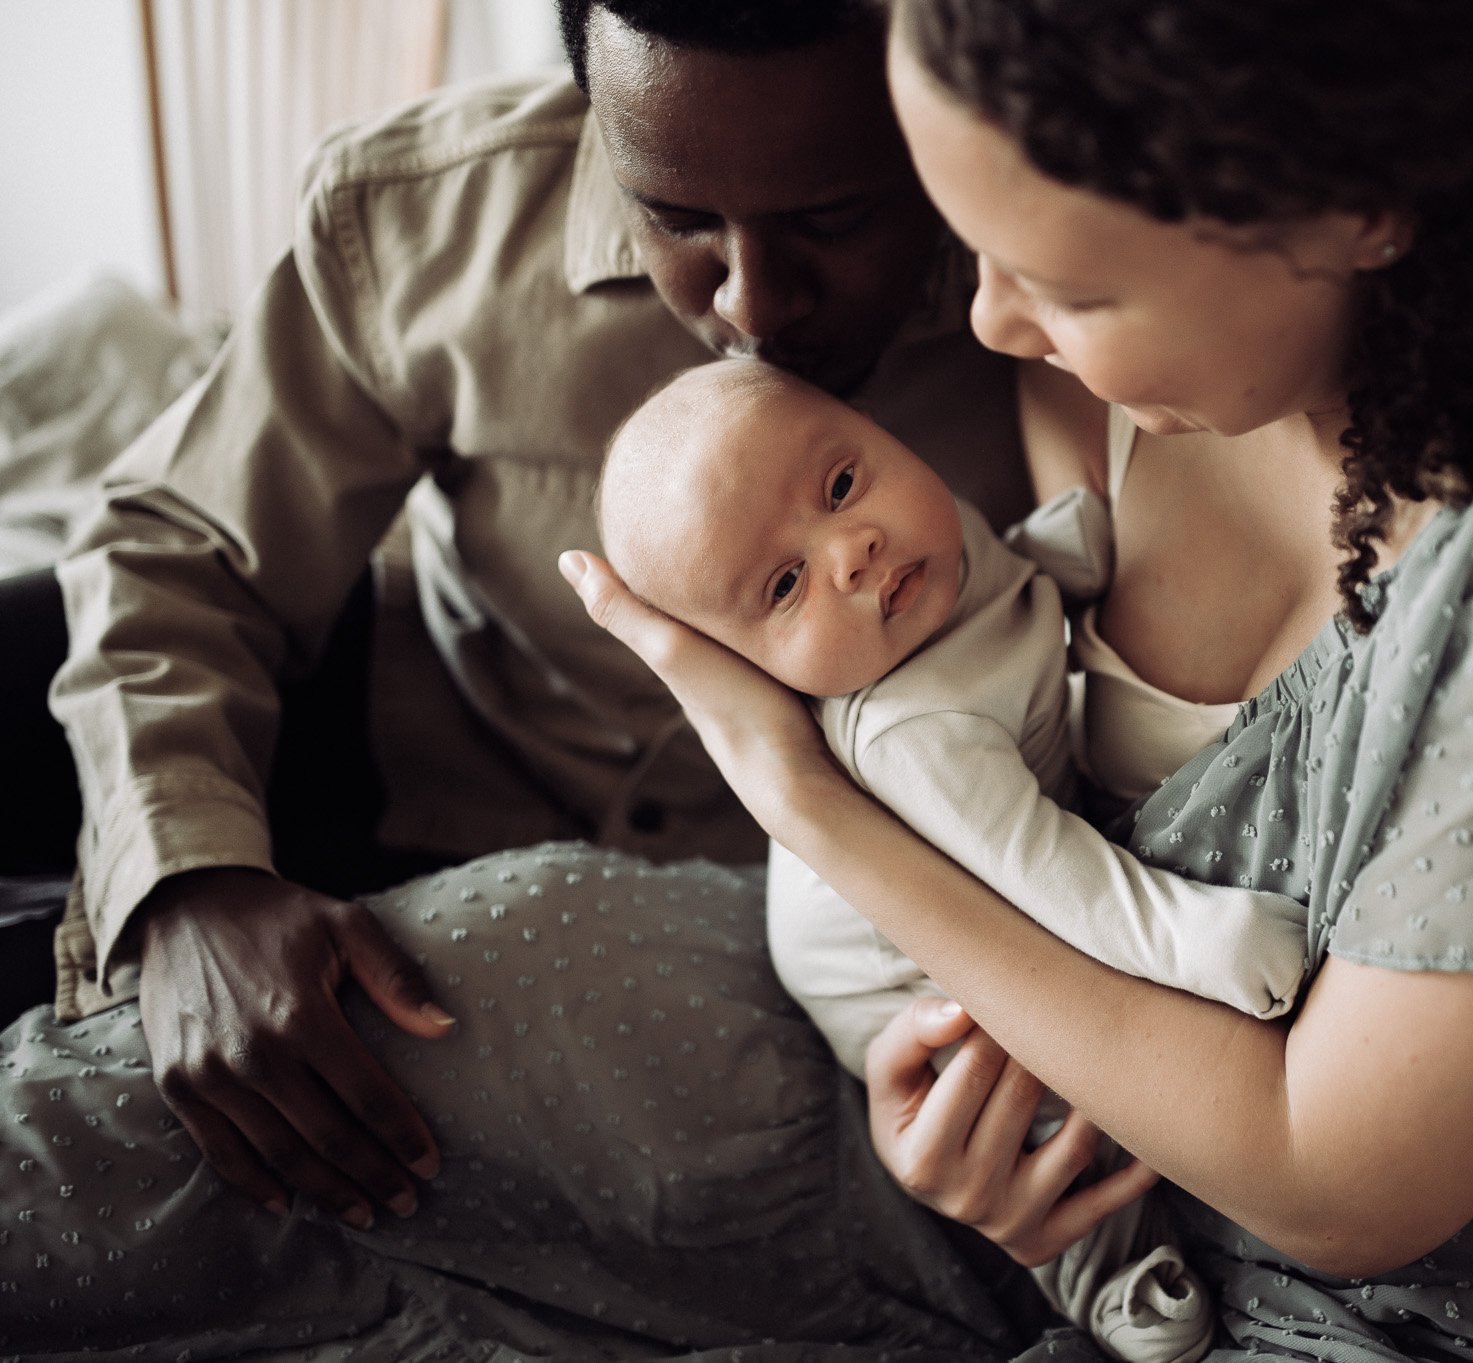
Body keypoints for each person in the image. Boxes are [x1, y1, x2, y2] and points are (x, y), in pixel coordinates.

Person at [561, 1, 1473, 1360]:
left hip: (1447, 1297)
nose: (991, 323)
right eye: (976, 241)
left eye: (1068, 285)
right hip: (1118, 1185)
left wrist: (809, 801)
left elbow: (1340, 1186)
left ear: (1354, 205)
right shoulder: (1132, 381)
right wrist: (990, 1150)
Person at [5, 0, 1030, 1232]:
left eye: (835, 218)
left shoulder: (1062, 288)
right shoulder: (429, 214)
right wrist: (186, 883)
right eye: (676, 217)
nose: (752, 304)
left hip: (753, 906)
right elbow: (181, 547)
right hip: (391, 729)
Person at [599, 356, 1316, 1362]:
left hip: (974, 853)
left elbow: (1014, 591)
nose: (849, 549)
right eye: (784, 584)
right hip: (896, 976)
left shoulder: (925, 565)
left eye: (841, 483)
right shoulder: (911, 728)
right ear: (744, 667)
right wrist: (1202, 940)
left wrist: (1071, 559)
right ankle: (1109, 1279)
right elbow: (1052, 881)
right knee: (1030, 1097)